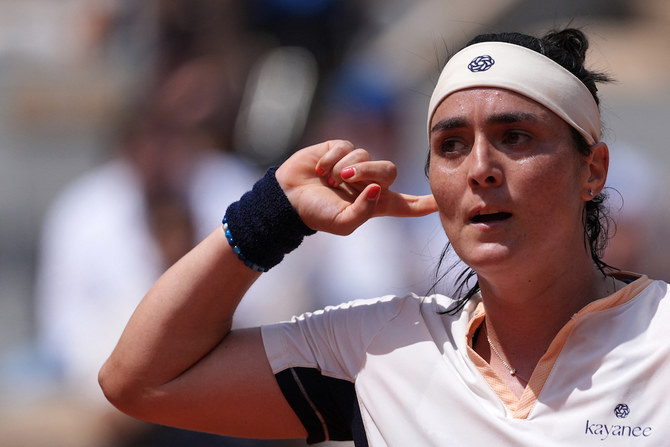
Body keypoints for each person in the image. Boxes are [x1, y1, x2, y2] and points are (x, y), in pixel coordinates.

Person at [99, 28, 670, 445]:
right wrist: (274, 213)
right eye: (451, 145)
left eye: (515, 136)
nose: (480, 168)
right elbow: (140, 380)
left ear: (593, 170)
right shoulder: (375, 351)